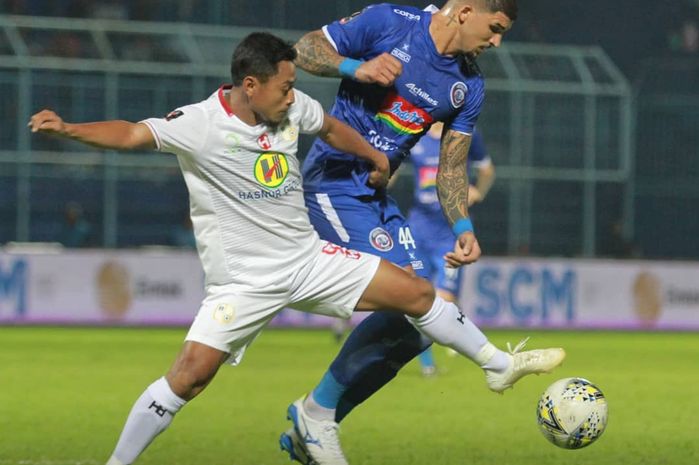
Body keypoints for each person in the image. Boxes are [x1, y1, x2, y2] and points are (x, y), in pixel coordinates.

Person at [28, 32, 564, 465]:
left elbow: (330, 126)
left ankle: (495, 364)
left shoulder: (291, 108)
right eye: (284, 86)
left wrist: (375, 160)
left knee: (416, 292)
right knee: (188, 378)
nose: (293, 93)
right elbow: (129, 134)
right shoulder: (200, 124)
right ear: (250, 84)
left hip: (309, 261)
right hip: (245, 281)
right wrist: (69, 128)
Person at [279, 2, 563, 464]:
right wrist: (356, 66)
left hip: (377, 199)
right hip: (333, 183)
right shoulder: (390, 22)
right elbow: (304, 49)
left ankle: (314, 418)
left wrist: (463, 225)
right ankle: (495, 365)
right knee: (410, 298)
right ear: (466, 11)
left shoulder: (467, 85)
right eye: (494, 29)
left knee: (418, 331)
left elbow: (452, 167)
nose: (496, 43)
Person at [406, 122, 495, 375]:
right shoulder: (415, 133)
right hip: (418, 230)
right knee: (416, 297)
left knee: (443, 299)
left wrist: (478, 191)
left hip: (451, 231)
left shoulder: (465, 134)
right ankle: (427, 365)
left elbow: (487, 170)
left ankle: (459, 335)